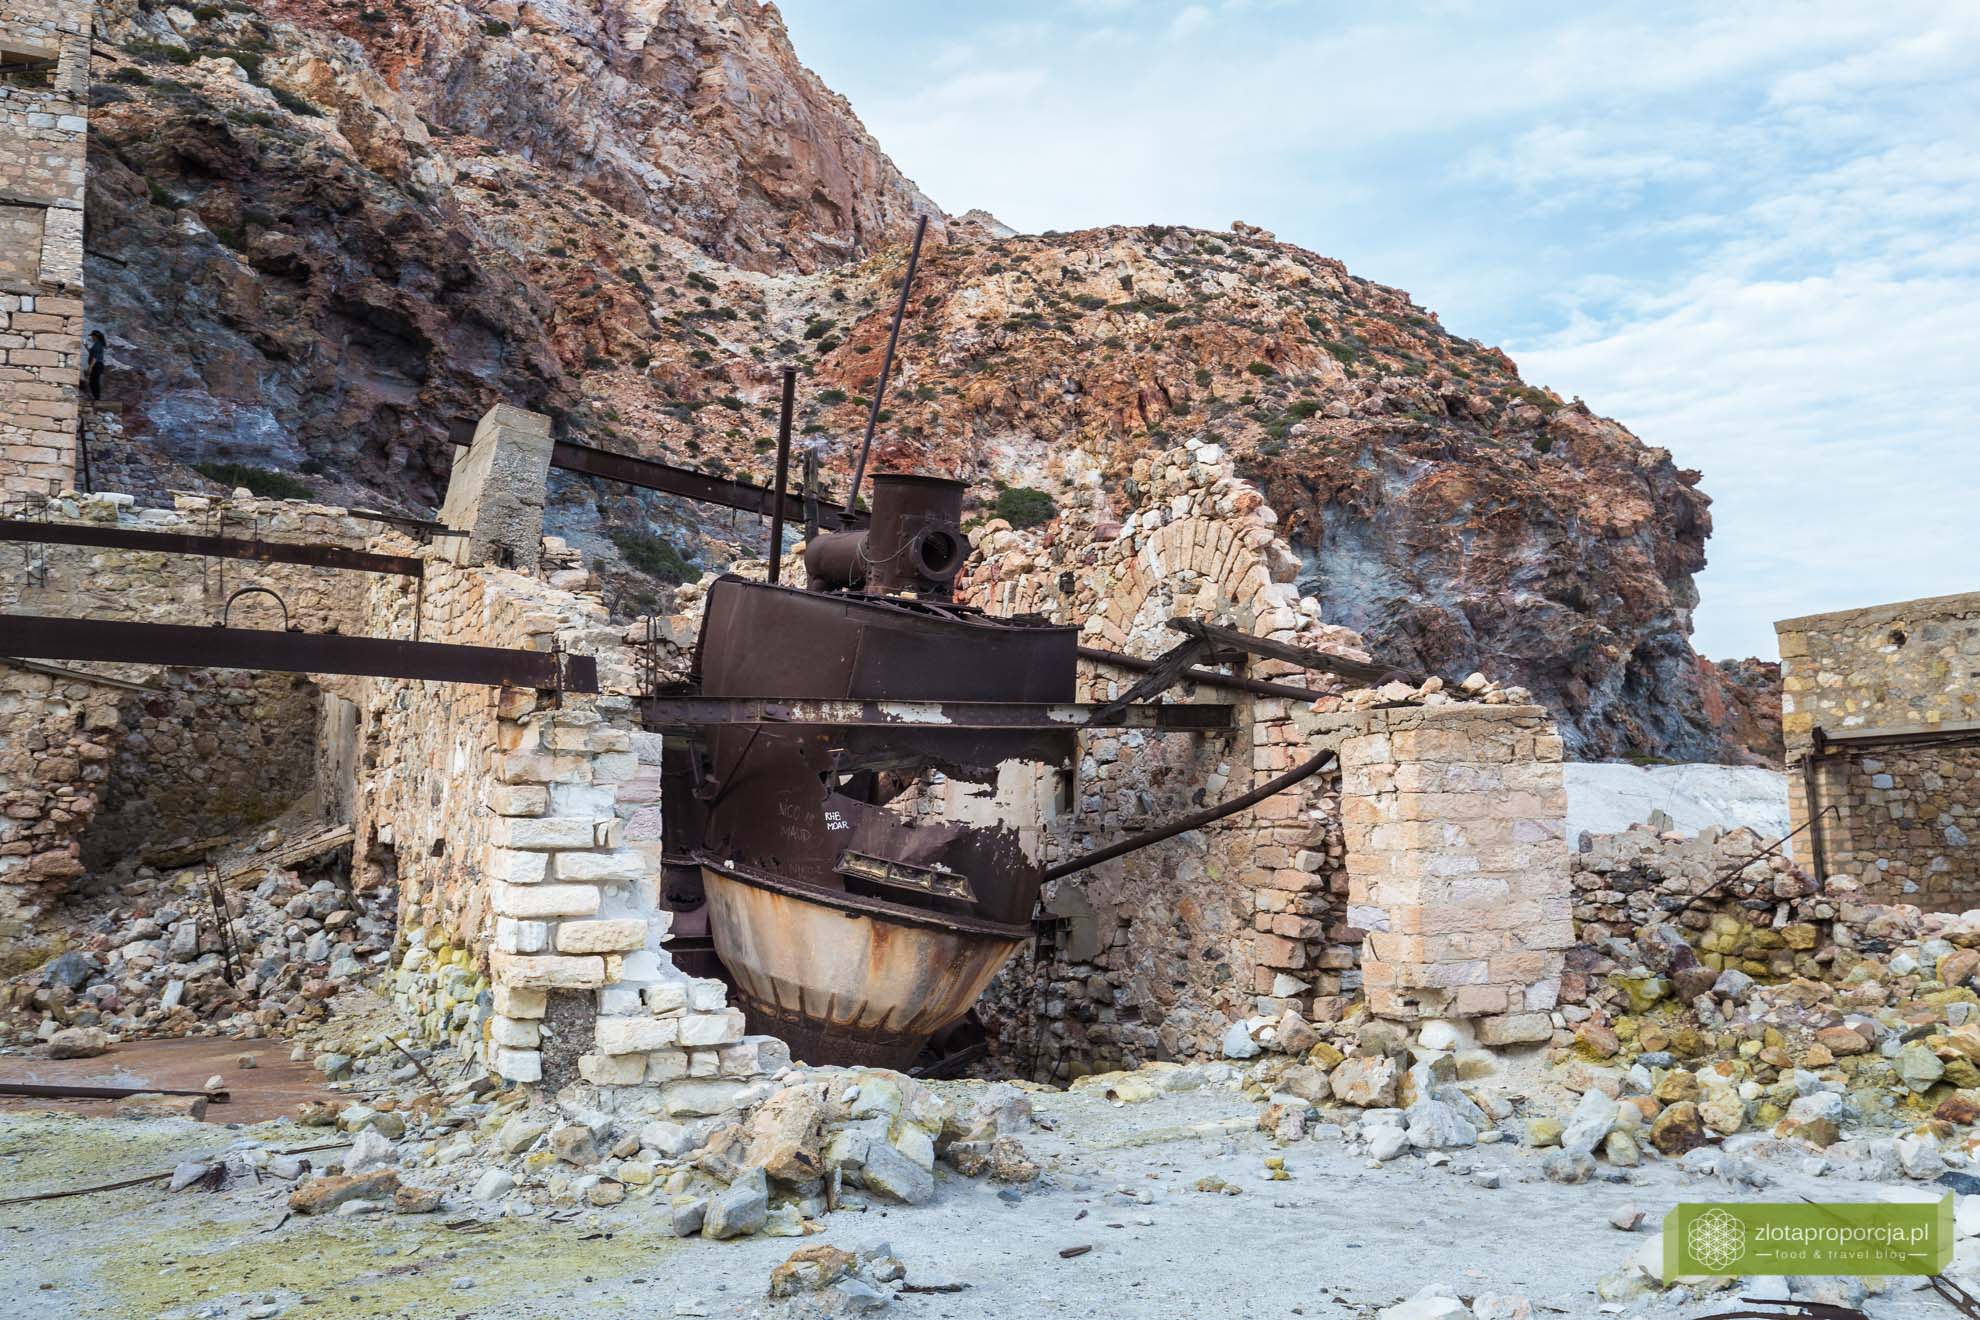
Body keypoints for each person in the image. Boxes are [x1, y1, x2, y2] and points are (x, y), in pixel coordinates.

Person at [83, 330, 104, 401]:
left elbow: (95, 357)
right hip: (96, 365)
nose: (92, 337)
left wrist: (90, 367)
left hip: (97, 365)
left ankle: (97, 398)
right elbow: (92, 353)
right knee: (93, 381)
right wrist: (86, 346)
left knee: (94, 382)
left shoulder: (98, 344)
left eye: (92, 336)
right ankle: (96, 398)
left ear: (95, 336)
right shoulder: (97, 344)